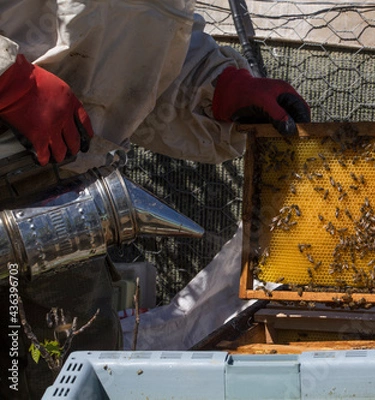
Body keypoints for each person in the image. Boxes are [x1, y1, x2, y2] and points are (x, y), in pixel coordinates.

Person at [0, 1, 310, 398]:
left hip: (60, 211)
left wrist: (220, 87)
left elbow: (137, 35)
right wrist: (11, 81)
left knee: (71, 376)